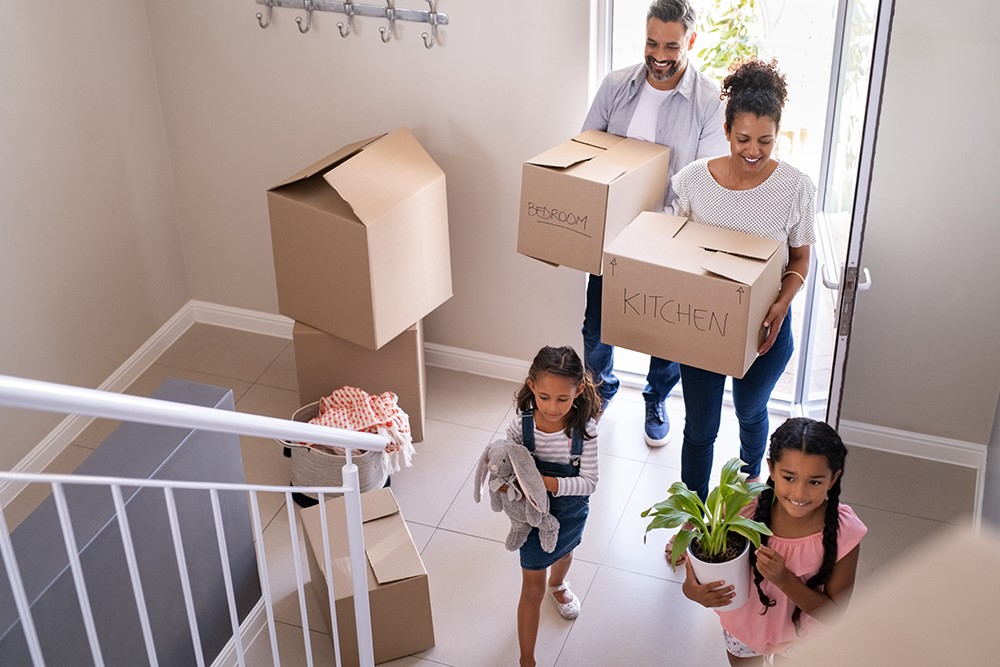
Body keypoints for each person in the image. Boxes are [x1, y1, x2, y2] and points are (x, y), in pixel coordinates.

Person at [581, 0, 729, 447]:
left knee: (664, 332)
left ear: (691, 41)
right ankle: (598, 390)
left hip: (669, 238)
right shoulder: (615, 86)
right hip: (610, 234)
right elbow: (586, 151)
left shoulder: (708, 101)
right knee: (596, 324)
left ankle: (656, 396)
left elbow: (702, 182)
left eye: (671, 45)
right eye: (651, 42)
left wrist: (655, 229)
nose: (659, 55)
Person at [670, 57, 816, 500]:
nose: (753, 151)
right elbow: (675, 249)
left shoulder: (795, 187)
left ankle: (751, 486)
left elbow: (801, 259)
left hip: (766, 327)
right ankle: (692, 517)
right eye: (744, 139)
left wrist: (781, 303)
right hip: (703, 326)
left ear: (778, 135)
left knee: (752, 411)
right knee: (700, 428)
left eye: (766, 141)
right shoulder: (693, 181)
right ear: (727, 129)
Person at [679, 417, 867, 664]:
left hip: (803, 639)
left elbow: (834, 614)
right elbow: (703, 568)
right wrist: (692, 591)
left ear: (833, 479)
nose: (799, 493)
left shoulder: (845, 532)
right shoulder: (741, 509)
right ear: (771, 469)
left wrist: (784, 580)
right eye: (789, 478)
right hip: (743, 629)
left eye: (814, 482)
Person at [505, 346, 601, 667]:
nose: (553, 407)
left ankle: (559, 583)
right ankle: (527, 659)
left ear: (579, 390)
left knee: (565, 552)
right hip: (534, 517)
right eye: (544, 397)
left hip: (571, 511)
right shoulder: (521, 427)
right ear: (532, 386)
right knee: (532, 587)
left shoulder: (584, 432)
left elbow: (589, 482)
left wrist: (549, 483)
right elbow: (507, 466)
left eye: (563, 398)